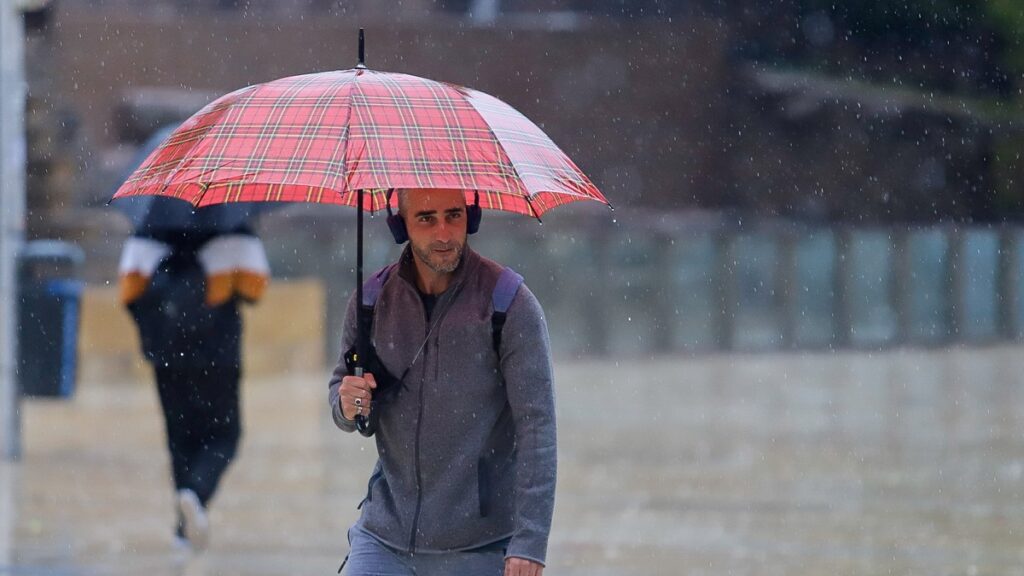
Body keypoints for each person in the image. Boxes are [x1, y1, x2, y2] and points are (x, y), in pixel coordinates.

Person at [328, 188, 556, 576]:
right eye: (426, 218)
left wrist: (530, 541)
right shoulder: (370, 301)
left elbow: (538, 428)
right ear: (400, 224)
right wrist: (347, 405)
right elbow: (342, 393)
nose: (444, 233)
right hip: (383, 538)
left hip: (481, 545)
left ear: (473, 217)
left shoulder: (510, 305)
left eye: (454, 215)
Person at [119, 227, 269, 551]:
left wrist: (164, 322)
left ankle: (182, 532)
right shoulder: (234, 228)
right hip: (219, 355)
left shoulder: (148, 229)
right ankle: (196, 494)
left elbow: (129, 293)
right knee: (225, 434)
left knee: (179, 438)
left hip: (168, 356)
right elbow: (255, 288)